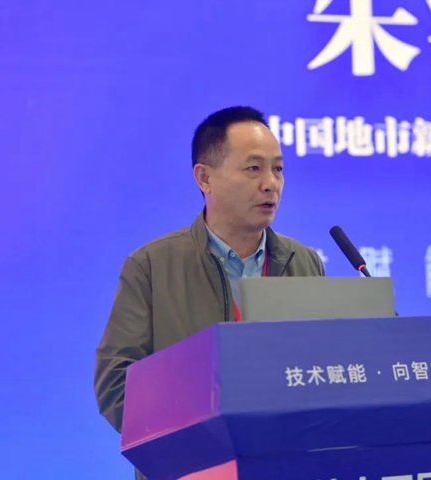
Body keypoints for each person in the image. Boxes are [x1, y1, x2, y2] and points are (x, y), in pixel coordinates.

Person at [93, 106, 326, 480]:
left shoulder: (304, 262)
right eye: (253, 168)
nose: (271, 183)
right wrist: (196, 446)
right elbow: (117, 384)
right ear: (205, 178)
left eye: (278, 169)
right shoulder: (151, 266)